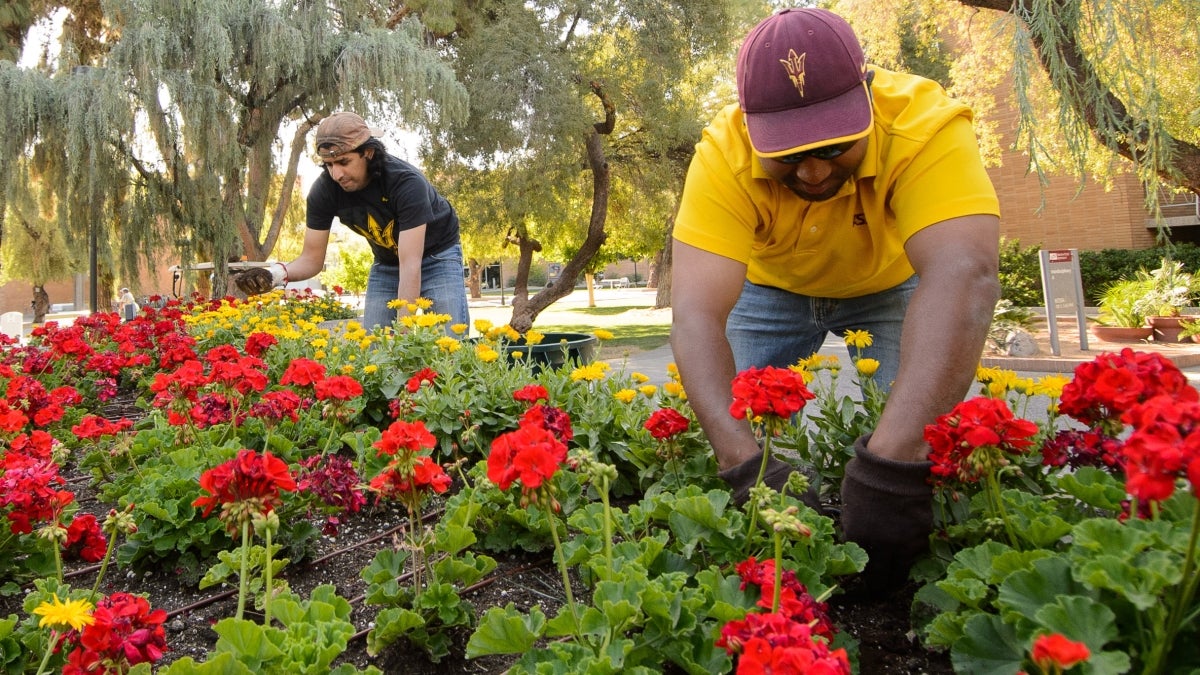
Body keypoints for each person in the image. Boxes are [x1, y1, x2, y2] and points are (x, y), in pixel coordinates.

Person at [670, 8, 1000, 587]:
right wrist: (743, 464)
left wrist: (891, 470)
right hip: (769, 291)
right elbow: (697, 314)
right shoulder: (723, 152)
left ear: (867, 96)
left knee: (914, 437)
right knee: (746, 439)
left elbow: (964, 273)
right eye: (790, 153)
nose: (816, 171)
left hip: (891, 284)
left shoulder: (925, 122)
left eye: (835, 144)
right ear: (749, 125)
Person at [234, 112, 470, 331]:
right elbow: (311, 259)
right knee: (376, 349)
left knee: (448, 342)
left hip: (437, 257)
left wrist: (404, 334)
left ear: (368, 153)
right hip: (387, 263)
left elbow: (410, 264)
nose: (336, 174)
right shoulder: (324, 191)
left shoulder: (406, 183)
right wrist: (274, 275)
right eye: (329, 165)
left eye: (344, 162)